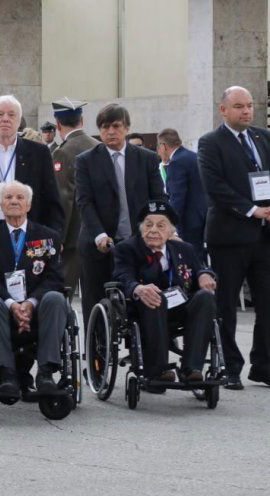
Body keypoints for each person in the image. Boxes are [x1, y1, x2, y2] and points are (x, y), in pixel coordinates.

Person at [198, 85, 270, 390]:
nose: (246, 111)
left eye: (250, 105)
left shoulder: (263, 137)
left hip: (264, 238)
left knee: (266, 303)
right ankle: (229, 367)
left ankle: (263, 365)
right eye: (239, 106)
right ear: (223, 110)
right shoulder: (211, 143)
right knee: (226, 304)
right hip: (229, 236)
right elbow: (214, 186)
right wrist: (251, 209)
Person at [75, 103, 166, 324]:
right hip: (99, 243)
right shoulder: (86, 160)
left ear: (126, 128)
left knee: (146, 296)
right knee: (95, 300)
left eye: (116, 126)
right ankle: (97, 350)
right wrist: (99, 235)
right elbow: (84, 202)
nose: (110, 132)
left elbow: (159, 200)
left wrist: (159, 230)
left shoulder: (147, 159)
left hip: (138, 242)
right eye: (105, 127)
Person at [112, 201, 217, 391]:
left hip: (179, 307)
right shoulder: (127, 248)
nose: (153, 230)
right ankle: (158, 369)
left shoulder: (184, 249)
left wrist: (204, 275)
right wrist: (137, 288)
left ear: (171, 231)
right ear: (140, 228)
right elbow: (122, 275)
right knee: (154, 295)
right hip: (145, 307)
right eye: (148, 224)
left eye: (161, 225)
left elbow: (202, 268)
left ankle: (191, 368)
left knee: (205, 298)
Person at [0, 180, 65, 395]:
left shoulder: (48, 236)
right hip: (2, 307)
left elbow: (54, 278)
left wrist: (30, 303)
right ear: (0, 204)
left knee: (56, 298)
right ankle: (6, 373)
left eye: (19, 197)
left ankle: (45, 372)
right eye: (8, 198)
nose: (14, 201)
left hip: (39, 305)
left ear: (29, 205)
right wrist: (12, 305)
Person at [0, 95, 65, 269]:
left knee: (33, 294)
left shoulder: (39, 154)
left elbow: (53, 201)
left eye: (11, 114)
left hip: (32, 241)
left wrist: (55, 237)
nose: (5, 119)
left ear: (19, 120)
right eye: (0, 114)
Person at [50, 98, 99, 293]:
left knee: (63, 288)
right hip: (99, 228)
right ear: (82, 120)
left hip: (74, 232)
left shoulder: (64, 152)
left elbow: (64, 197)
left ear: (58, 125)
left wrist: (58, 236)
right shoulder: (98, 145)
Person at [157, 128, 207, 261]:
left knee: (191, 258)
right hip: (202, 216)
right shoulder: (192, 156)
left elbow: (177, 197)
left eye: (159, 148)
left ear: (163, 146)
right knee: (199, 256)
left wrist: (169, 223)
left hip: (188, 220)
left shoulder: (176, 162)